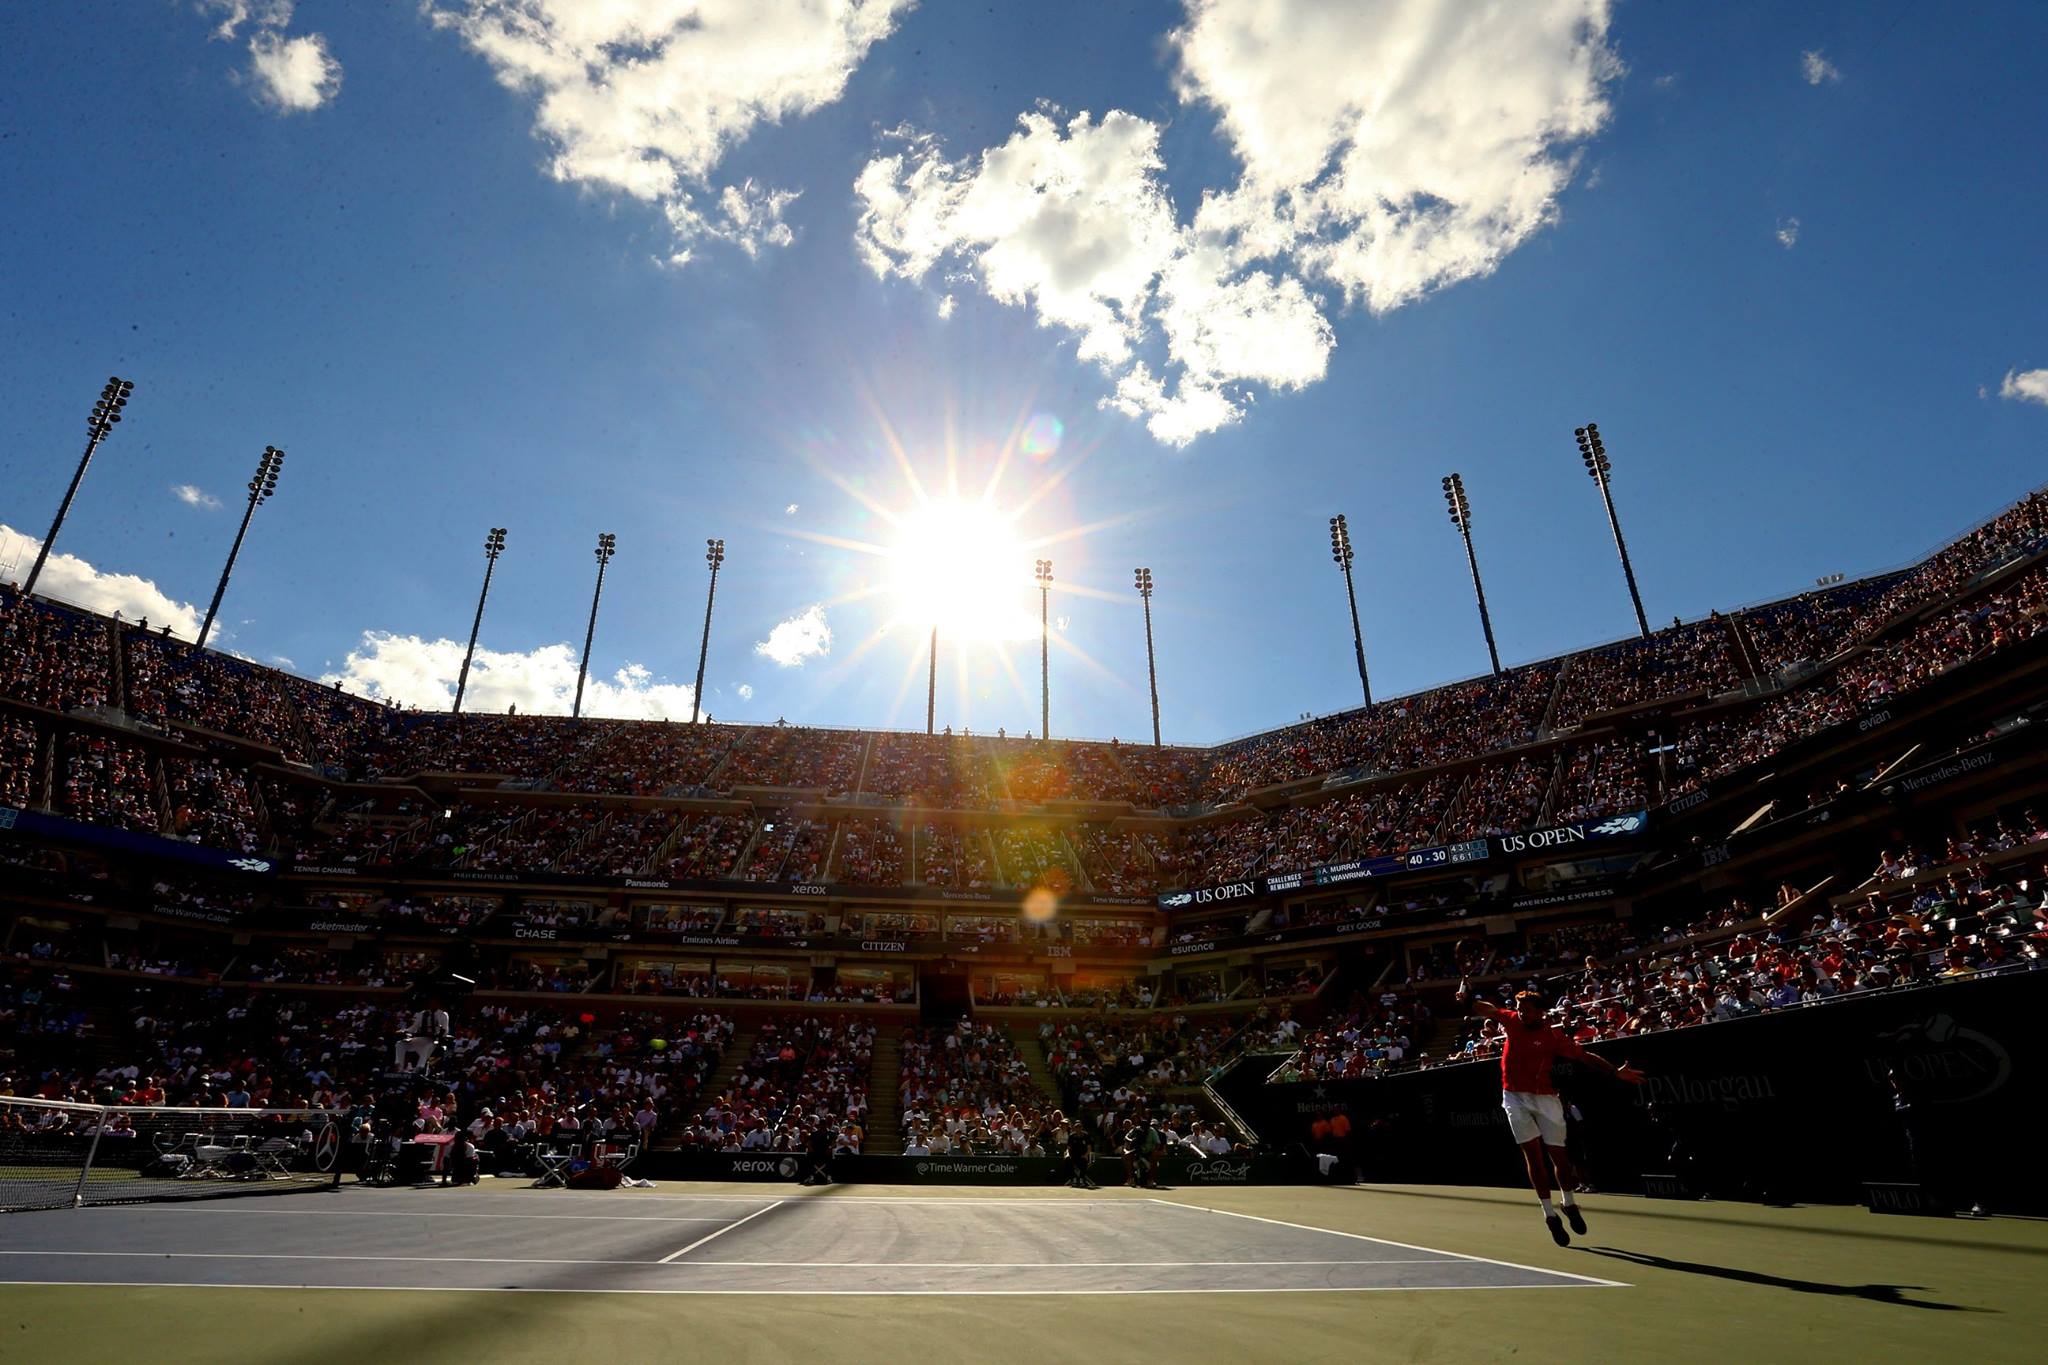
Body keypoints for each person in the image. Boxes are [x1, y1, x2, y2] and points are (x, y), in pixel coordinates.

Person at [1457, 980, 1644, 1246]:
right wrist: (1465, 999)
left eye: (1529, 1010)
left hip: (1546, 1099)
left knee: (1559, 1157)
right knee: (1533, 1156)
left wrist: (1615, 1072)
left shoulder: (1553, 1036)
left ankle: (1568, 1203)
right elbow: (1483, 1008)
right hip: (1513, 1097)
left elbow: (1584, 1056)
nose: (1523, 1013)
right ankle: (1549, 1214)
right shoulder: (1510, 1020)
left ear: (1541, 1012)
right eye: (1521, 1009)